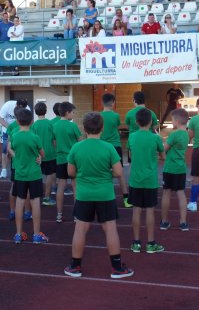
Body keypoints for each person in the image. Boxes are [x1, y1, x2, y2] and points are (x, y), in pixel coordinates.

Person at [64, 112, 133, 279]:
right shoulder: (108, 147)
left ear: (84, 128)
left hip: (84, 194)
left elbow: (70, 172)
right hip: (105, 194)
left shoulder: (76, 147)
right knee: (110, 229)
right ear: (102, 128)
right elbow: (118, 172)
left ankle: (75, 266)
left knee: (80, 229)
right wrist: (104, 172)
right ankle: (117, 268)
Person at [128, 108, 165, 254]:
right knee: (150, 211)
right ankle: (150, 243)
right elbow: (163, 156)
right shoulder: (155, 138)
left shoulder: (132, 137)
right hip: (150, 180)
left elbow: (131, 154)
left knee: (136, 210)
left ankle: (136, 242)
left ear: (136, 122)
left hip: (135, 180)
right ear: (151, 122)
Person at [9, 108, 48, 244]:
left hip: (20, 174)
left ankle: (18, 234)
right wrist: (38, 157)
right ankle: (36, 235)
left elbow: (11, 149)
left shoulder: (15, 136)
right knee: (35, 202)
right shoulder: (34, 137)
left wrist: (17, 156)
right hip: (34, 174)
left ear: (18, 121)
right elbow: (43, 154)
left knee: (20, 202)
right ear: (32, 121)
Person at [160, 108, 190, 231]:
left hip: (170, 168)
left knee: (166, 193)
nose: (171, 122)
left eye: (172, 120)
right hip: (180, 168)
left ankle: (164, 221)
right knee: (181, 193)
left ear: (176, 121)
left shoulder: (174, 134)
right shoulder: (186, 134)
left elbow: (164, 149)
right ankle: (183, 222)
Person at [53, 101, 82, 224]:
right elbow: (80, 141)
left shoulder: (55, 125)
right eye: (72, 112)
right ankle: (76, 215)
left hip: (60, 159)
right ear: (67, 112)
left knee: (61, 186)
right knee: (76, 186)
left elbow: (54, 142)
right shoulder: (73, 126)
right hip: (73, 160)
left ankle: (59, 215)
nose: (73, 115)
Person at [100, 93, 130, 208]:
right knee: (120, 173)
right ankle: (126, 199)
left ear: (102, 102)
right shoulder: (115, 116)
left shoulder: (99, 116)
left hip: (103, 146)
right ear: (113, 103)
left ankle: (104, 197)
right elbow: (117, 126)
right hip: (115, 146)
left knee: (103, 172)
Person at [31, 102, 57, 207]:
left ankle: (36, 196)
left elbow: (32, 141)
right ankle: (46, 197)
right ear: (45, 111)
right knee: (49, 176)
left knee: (37, 176)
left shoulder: (34, 125)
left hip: (38, 155)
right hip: (50, 153)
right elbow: (54, 140)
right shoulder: (50, 124)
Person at [0, 98, 28, 181]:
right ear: (16, 106)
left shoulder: (27, 108)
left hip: (20, 131)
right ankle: (4, 170)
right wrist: (10, 128)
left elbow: (30, 121)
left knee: (18, 149)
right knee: (5, 149)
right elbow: (0, 119)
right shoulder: (8, 105)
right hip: (8, 130)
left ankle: (19, 167)